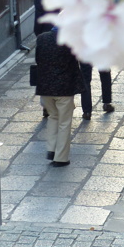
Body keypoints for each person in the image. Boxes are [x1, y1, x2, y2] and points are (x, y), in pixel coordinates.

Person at [34, 28, 83, 167]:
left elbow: (38, 59)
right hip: (64, 89)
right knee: (64, 123)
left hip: (45, 88)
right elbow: (75, 64)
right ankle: (61, 157)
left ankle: (51, 149)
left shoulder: (42, 38)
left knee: (53, 117)